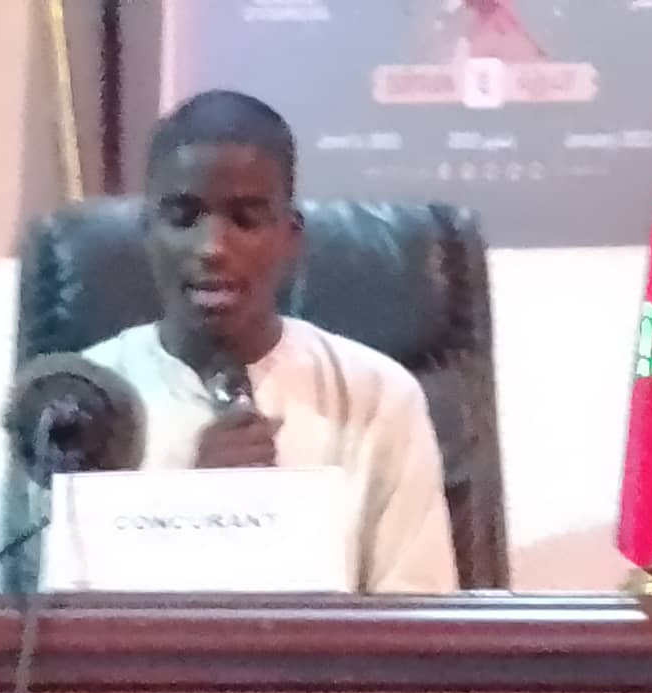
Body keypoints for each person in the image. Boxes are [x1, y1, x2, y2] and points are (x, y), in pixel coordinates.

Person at [82, 89, 457, 593]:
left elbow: (417, 619)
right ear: (147, 231)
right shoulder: (81, 406)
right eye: (184, 217)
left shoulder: (379, 396)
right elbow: (53, 628)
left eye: (245, 219)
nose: (212, 248)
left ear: (291, 236)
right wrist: (192, 516)